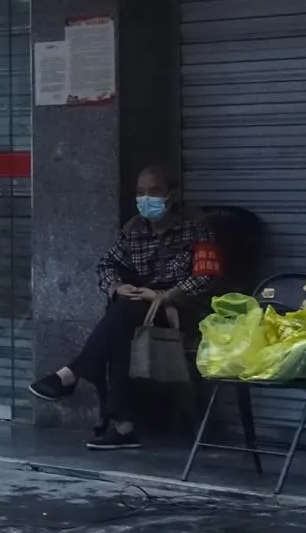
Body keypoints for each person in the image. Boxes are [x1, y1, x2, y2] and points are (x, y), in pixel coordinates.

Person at [29, 165, 215, 451]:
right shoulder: (134, 228)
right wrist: (116, 287)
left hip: (181, 310)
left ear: (171, 194)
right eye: (140, 193)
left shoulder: (196, 225)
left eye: (154, 191)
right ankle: (122, 427)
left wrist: (165, 297)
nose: (146, 198)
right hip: (139, 310)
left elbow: (206, 276)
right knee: (122, 321)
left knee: (123, 315)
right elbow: (107, 264)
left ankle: (72, 376)